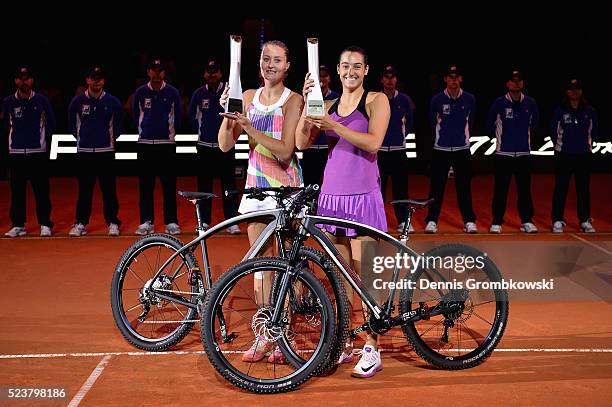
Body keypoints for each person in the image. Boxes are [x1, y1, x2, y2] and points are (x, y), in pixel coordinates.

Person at [296, 45, 390, 378]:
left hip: (363, 199)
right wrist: (309, 106)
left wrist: (332, 126)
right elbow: (301, 142)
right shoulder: (329, 106)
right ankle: (346, 343)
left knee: (364, 279)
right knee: (339, 280)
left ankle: (373, 348)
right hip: (332, 200)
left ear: (366, 70)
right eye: (345, 65)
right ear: (337, 69)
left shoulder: (376, 100)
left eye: (357, 66)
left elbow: (373, 142)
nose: (350, 71)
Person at [217, 40, 303, 364]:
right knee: (261, 268)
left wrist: (249, 125)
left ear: (287, 66)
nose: (270, 64)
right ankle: (267, 334)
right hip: (257, 192)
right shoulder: (249, 97)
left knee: (287, 268)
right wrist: (229, 116)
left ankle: (286, 336)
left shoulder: (293, 100)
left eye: (277, 60)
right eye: (266, 59)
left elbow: (285, 151)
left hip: (287, 193)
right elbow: (225, 145)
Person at [67, 66, 123, 236]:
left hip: (106, 151)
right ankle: (80, 223)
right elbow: (72, 127)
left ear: (103, 81)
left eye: (99, 78)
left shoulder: (113, 102)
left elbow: (118, 128)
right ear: (87, 80)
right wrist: (85, 140)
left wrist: (105, 141)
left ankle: (113, 222)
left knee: (109, 190)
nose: (97, 81)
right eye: (93, 78)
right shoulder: (77, 102)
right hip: (84, 152)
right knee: (84, 191)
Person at [188, 58, 240, 233]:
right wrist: (204, 133)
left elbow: (236, 115)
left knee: (229, 185)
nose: (212, 74)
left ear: (221, 73)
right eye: (209, 71)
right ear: (205, 74)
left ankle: (231, 221)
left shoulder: (229, 91)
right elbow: (192, 118)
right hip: (204, 146)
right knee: (204, 186)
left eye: (215, 71)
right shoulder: (198, 94)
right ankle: (204, 221)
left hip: (225, 146)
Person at [3, 67, 55, 237]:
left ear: (32, 80)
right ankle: (18, 225)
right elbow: (5, 126)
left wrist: (41, 141)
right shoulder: (8, 102)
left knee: (41, 191)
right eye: (20, 78)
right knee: (17, 191)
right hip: (16, 152)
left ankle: (45, 224)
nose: (23, 81)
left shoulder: (42, 100)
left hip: (37, 152)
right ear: (16, 81)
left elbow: (51, 123)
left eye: (27, 78)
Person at [132, 59, 182, 235]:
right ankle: (146, 222)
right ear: (148, 72)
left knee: (169, 186)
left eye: (160, 70)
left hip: (166, 145)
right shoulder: (140, 92)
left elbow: (179, 117)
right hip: (145, 145)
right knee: (145, 186)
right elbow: (135, 116)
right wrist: (144, 132)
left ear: (164, 73)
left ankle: (171, 222)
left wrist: (169, 135)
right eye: (153, 70)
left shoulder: (172, 92)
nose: (156, 74)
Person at [425, 65, 477, 234]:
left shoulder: (469, 99)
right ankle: (432, 220)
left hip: (462, 149)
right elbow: (432, 123)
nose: (453, 80)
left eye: (457, 77)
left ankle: (469, 221)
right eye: (450, 77)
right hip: (441, 149)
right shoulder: (437, 99)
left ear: (460, 79)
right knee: (436, 188)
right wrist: (441, 139)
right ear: (445, 79)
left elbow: (472, 121)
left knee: (464, 188)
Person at [487, 70, 539, 234]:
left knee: (524, 190)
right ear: (507, 84)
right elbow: (490, 124)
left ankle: (527, 221)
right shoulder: (499, 103)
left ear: (522, 83)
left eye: (519, 80)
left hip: (523, 154)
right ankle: (496, 221)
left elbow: (535, 125)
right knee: (501, 189)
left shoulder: (530, 103)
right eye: (512, 80)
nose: (516, 83)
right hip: (503, 154)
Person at [550, 79, 598, 233]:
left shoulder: (589, 111)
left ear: (581, 91)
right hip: (564, 155)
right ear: (567, 92)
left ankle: (584, 220)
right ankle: (557, 220)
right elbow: (553, 132)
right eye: (571, 89)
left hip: (583, 155)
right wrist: (559, 148)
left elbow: (593, 131)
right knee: (560, 189)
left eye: (577, 89)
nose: (575, 92)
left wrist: (587, 147)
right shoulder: (560, 111)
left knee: (583, 189)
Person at [378, 65, 415, 233]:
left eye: (392, 77)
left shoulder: (405, 100)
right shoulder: (375, 98)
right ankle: (378, 222)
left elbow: (410, 123)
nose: (389, 80)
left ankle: (403, 222)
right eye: (386, 77)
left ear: (396, 80)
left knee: (401, 189)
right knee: (378, 189)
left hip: (399, 151)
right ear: (382, 80)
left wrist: (399, 138)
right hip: (378, 151)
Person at [300, 64, 340, 186]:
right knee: (309, 187)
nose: (321, 79)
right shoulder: (305, 97)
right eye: (318, 76)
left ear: (329, 78)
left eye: (324, 75)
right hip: (310, 149)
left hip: (328, 150)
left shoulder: (338, 98)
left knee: (331, 185)